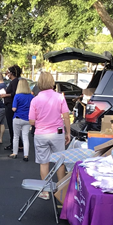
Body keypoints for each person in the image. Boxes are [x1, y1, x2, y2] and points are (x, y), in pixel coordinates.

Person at [29, 71, 71, 200]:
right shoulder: (59, 97)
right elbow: (66, 116)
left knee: (44, 162)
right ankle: (61, 190)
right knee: (60, 162)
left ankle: (45, 191)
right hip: (57, 133)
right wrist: (68, 132)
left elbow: (31, 121)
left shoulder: (35, 100)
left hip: (41, 134)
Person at [9, 79, 34, 161]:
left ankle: (15, 153)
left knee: (16, 136)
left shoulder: (17, 96)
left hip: (17, 118)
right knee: (25, 137)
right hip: (27, 119)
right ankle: (26, 155)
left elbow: (14, 109)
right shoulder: (31, 96)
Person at [3, 65, 23, 151]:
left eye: (7, 72)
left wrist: (5, 95)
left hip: (11, 106)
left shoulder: (14, 82)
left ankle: (18, 144)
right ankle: (15, 143)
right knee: (12, 126)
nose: (6, 74)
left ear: (11, 73)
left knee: (12, 126)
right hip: (10, 105)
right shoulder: (14, 81)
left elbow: (15, 93)